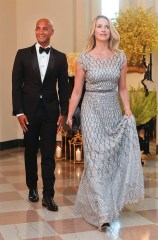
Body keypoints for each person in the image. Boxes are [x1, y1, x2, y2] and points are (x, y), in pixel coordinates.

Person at [67, 15, 144, 229]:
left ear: (110, 31)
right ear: (93, 31)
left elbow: (122, 88)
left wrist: (127, 111)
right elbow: (76, 91)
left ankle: (107, 202)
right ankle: (103, 214)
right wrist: (70, 115)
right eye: (99, 26)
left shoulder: (120, 57)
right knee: (95, 159)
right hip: (91, 109)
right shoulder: (83, 58)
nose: (103, 30)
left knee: (110, 159)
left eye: (106, 27)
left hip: (111, 108)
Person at [12, 18, 69, 211]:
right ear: (35, 31)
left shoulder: (60, 58)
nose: (41, 32)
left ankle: (48, 195)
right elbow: (16, 86)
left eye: (45, 28)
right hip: (28, 113)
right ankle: (32, 188)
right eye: (38, 28)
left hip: (50, 113)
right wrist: (19, 112)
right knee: (30, 152)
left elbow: (64, 87)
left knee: (48, 154)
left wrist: (64, 112)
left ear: (52, 31)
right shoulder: (22, 54)